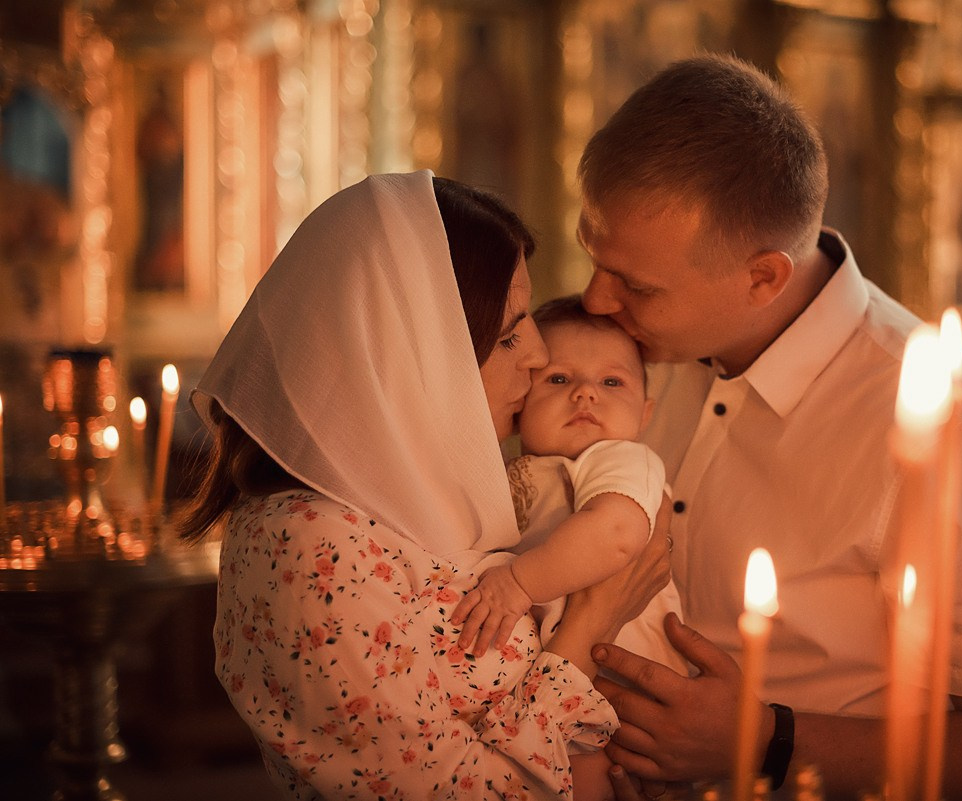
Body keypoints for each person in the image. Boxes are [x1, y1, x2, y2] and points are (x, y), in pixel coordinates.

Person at [573, 55, 962, 799]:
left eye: (636, 285)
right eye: (592, 253)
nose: (594, 299)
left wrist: (766, 739)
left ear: (763, 277)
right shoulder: (623, 355)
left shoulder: (955, 430)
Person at [178, 172, 671, 800]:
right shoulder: (305, 544)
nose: (540, 357)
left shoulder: (454, 494)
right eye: (509, 332)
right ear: (409, 354)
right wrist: (595, 619)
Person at [451, 295, 689, 680]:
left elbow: (615, 534)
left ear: (644, 415)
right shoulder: (509, 469)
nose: (585, 393)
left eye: (612, 381)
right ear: (520, 400)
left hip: (626, 669)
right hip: (558, 666)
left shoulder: (621, 459)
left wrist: (517, 582)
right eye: (559, 378)